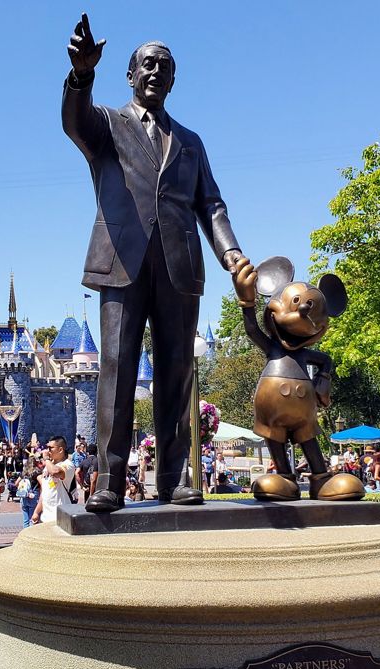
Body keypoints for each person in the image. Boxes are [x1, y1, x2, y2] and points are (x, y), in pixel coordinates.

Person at [64, 15, 245, 513]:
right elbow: (73, 121)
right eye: (148, 64)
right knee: (117, 371)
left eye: (165, 67)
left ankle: (174, 477)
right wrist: (80, 76)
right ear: (129, 75)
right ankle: (109, 479)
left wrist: (229, 250)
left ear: (173, 79)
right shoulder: (107, 125)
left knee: (176, 371)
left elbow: (211, 204)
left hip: (179, 266)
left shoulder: (191, 141)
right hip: (121, 263)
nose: (156, 73)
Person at [32, 436, 77, 525]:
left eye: (50, 448)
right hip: (45, 517)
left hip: (60, 517)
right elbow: (45, 491)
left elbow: (55, 472)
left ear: (60, 450)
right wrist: (37, 512)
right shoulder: (48, 466)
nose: (48, 451)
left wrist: (46, 459)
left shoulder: (68, 465)